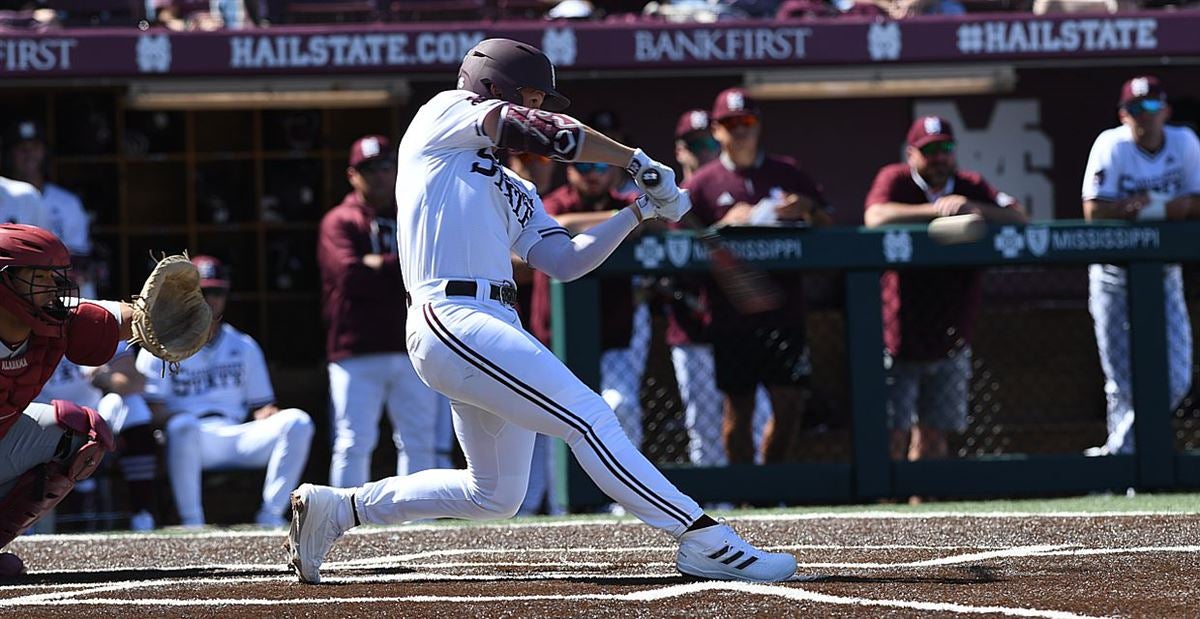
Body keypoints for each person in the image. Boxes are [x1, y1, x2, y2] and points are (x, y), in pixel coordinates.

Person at [287, 38, 797, 585]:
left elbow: (565, 261)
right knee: (591, 417)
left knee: (495, 494)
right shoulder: (443, 114)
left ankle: (339, 508)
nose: (542, 106)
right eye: (532, 93)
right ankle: (702, 536)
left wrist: (639, 209)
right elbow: (538, 131)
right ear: (495, 83)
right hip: (450, 315)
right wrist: (633, 160)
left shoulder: (513, 185)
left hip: (492, 324)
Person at [864, 115, 1028, 462]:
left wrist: (970, 208)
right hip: (898, 333)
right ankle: (883, 510)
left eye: (946, 149)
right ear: (911, 154)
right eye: (930, 150)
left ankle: (923, 507)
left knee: (934, 431)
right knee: (893, 431)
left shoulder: (970, 184)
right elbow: (875, 216)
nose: (939, 157)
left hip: (952, 333)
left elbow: (1017, 216)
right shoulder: (894, 179)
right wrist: (935, 211)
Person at [681, 88, 830, 465]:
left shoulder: (787, 172)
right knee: (739, 408)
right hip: (731, 314)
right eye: (731, 124)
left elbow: (828, 221)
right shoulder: (702, 183)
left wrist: (806, 209)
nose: (740, 130)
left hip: (784, 309)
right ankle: (746, 492)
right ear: (717, 130)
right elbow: (677, 242)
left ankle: (770, 486)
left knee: (790, 404)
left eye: (747, 122)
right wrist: (722, 226)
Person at [0, 224, 140, 575]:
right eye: (39, 276)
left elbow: (126, 318)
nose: (52, 287)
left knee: (79, 432)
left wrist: (163, 315)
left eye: (52, 275)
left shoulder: (54, 320)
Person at [137, 255, 313, 528]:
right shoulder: (162, 343)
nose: (211, 299)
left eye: (218, 292)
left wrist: (270, 416)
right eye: (204, 292)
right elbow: (150, 408)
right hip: (191, 438)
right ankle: (192, 522)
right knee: (183, 426)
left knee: (298, 421)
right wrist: (172, 424)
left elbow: (262, 406)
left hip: (236, 433)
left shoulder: (243, 345)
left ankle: (270, 516)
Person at [1081, 76, 1200, 456]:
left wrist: (1154, 206)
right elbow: (1093, 212)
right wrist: (1156, 207)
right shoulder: (1110, 145)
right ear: (1123, 114)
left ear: (1166, 110)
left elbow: (1194, 203)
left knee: (1177, 378)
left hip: (1163, 271)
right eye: (1135, 109)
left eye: (1151, 108)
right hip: (1113, 274)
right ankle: (1127, 474)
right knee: (1120, 382)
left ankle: (1115, 454)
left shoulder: (1184, 142)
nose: (1144, 117)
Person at [319, 135, 441, 488]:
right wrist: (400, 268)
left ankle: (417, 519)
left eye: (387, 166)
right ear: (352, 174)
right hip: (354, 350)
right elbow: (349, 276)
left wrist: (377, 264)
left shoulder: (414, 214)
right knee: (353, 441)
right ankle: (341, 517)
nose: (380, 175)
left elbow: (431, 267)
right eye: (369, 168)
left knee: (418, 441)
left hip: (413, 346)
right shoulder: (339, 221)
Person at [530, 161, 650, 454]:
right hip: (557, 337)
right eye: (583, 167)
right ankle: (563, 502)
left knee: (621, 406)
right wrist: (619, 220)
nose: (592, 174)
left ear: (612, 171)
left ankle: (625, 496)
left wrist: (627, 215)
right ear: (568, 171)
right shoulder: (555, 200)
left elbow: (655, 219)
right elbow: (556, 224)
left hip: (612, 336)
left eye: (599, 166)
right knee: (555, 423)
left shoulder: (622, 202)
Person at [35, 342, 160, 531]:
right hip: (42, 418)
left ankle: (142, 513)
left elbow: (135, 382)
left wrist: (107, 378)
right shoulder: (22, 328)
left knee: (135, 407)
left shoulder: (96, 325)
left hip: (93, 415)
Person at [4, 119, 94, 298]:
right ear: (8, 154)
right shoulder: (4, 195)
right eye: (21, 148)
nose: (28, 154)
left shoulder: (68, 203)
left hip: (58, 284)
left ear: (45, 152)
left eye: (34, 147)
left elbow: (78, 260)